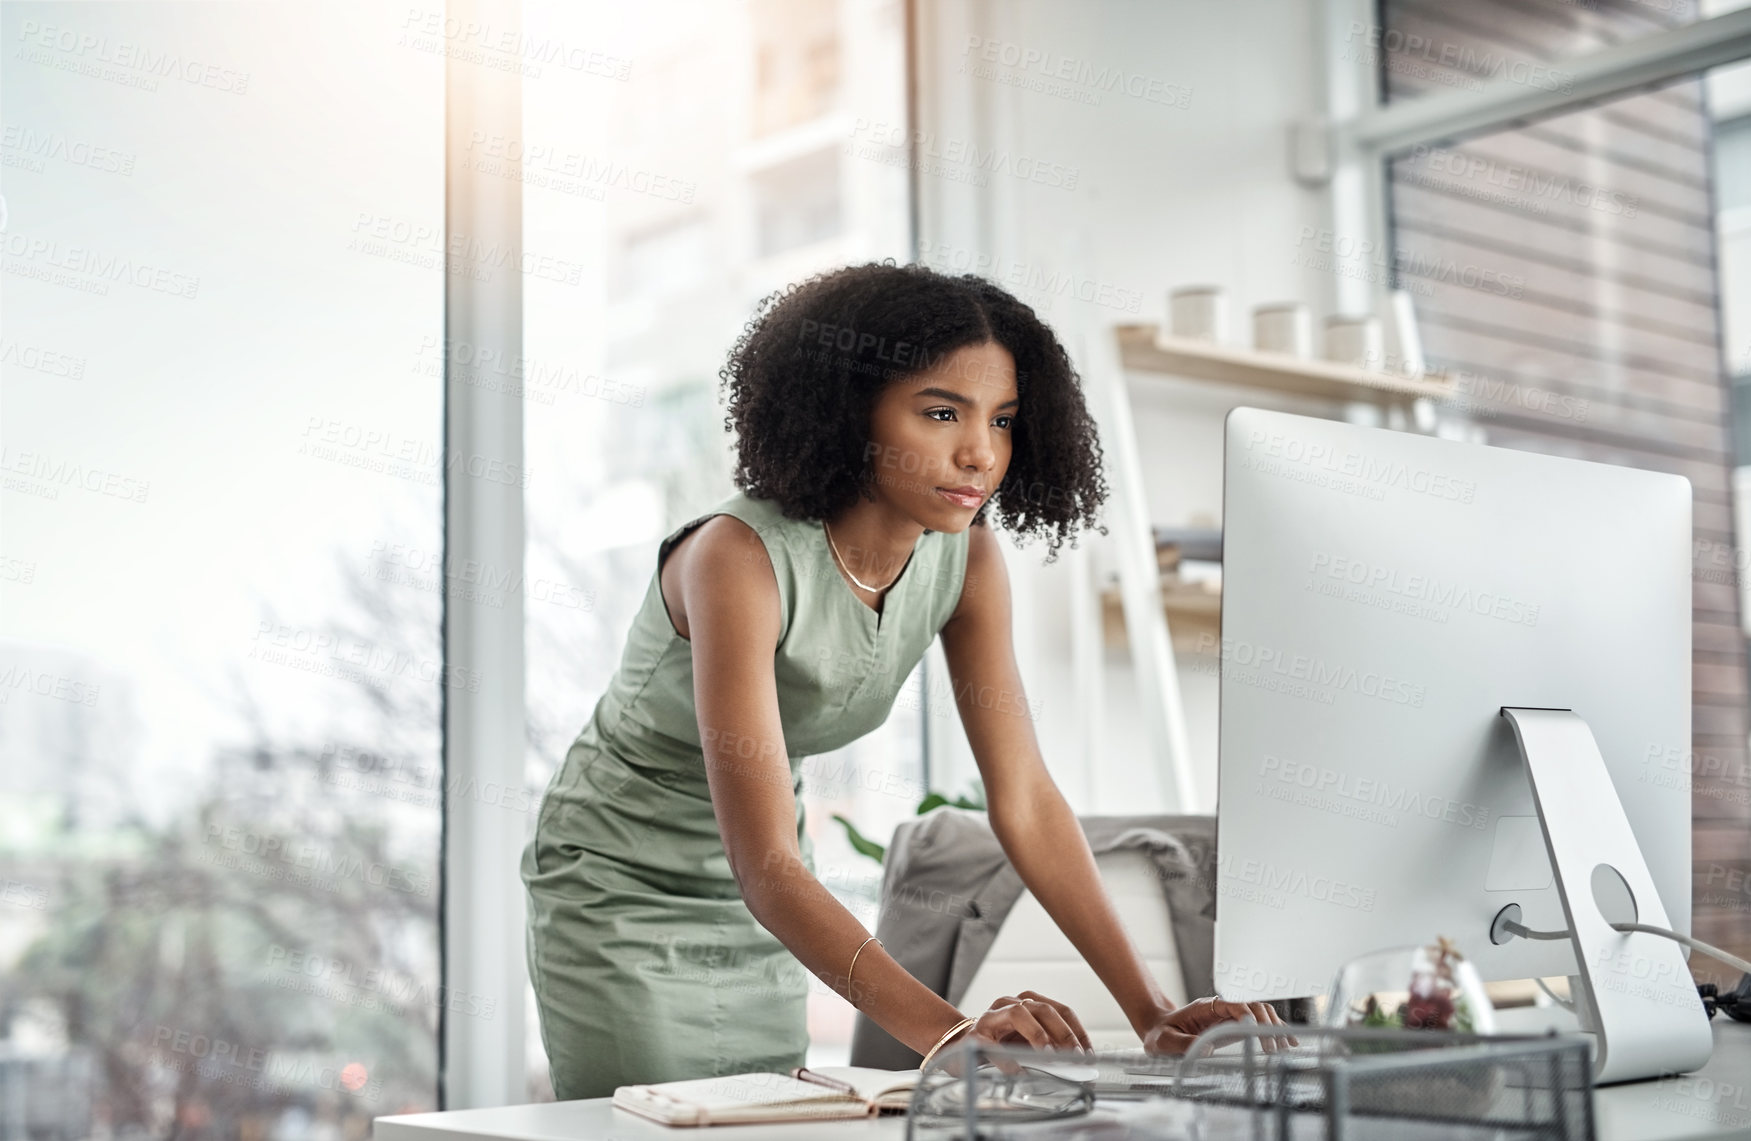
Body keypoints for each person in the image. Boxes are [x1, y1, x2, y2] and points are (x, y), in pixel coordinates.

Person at [520, 261, 1293, 1100]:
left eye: (1001, 421)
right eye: (939, 413)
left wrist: (1151, 1014)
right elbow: (766, 861)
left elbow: (1025, 799)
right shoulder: (733, 557)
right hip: (618, 888)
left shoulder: (964, 555)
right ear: (847, 409)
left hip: (765, 904)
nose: (980, 453)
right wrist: (951, 1035)